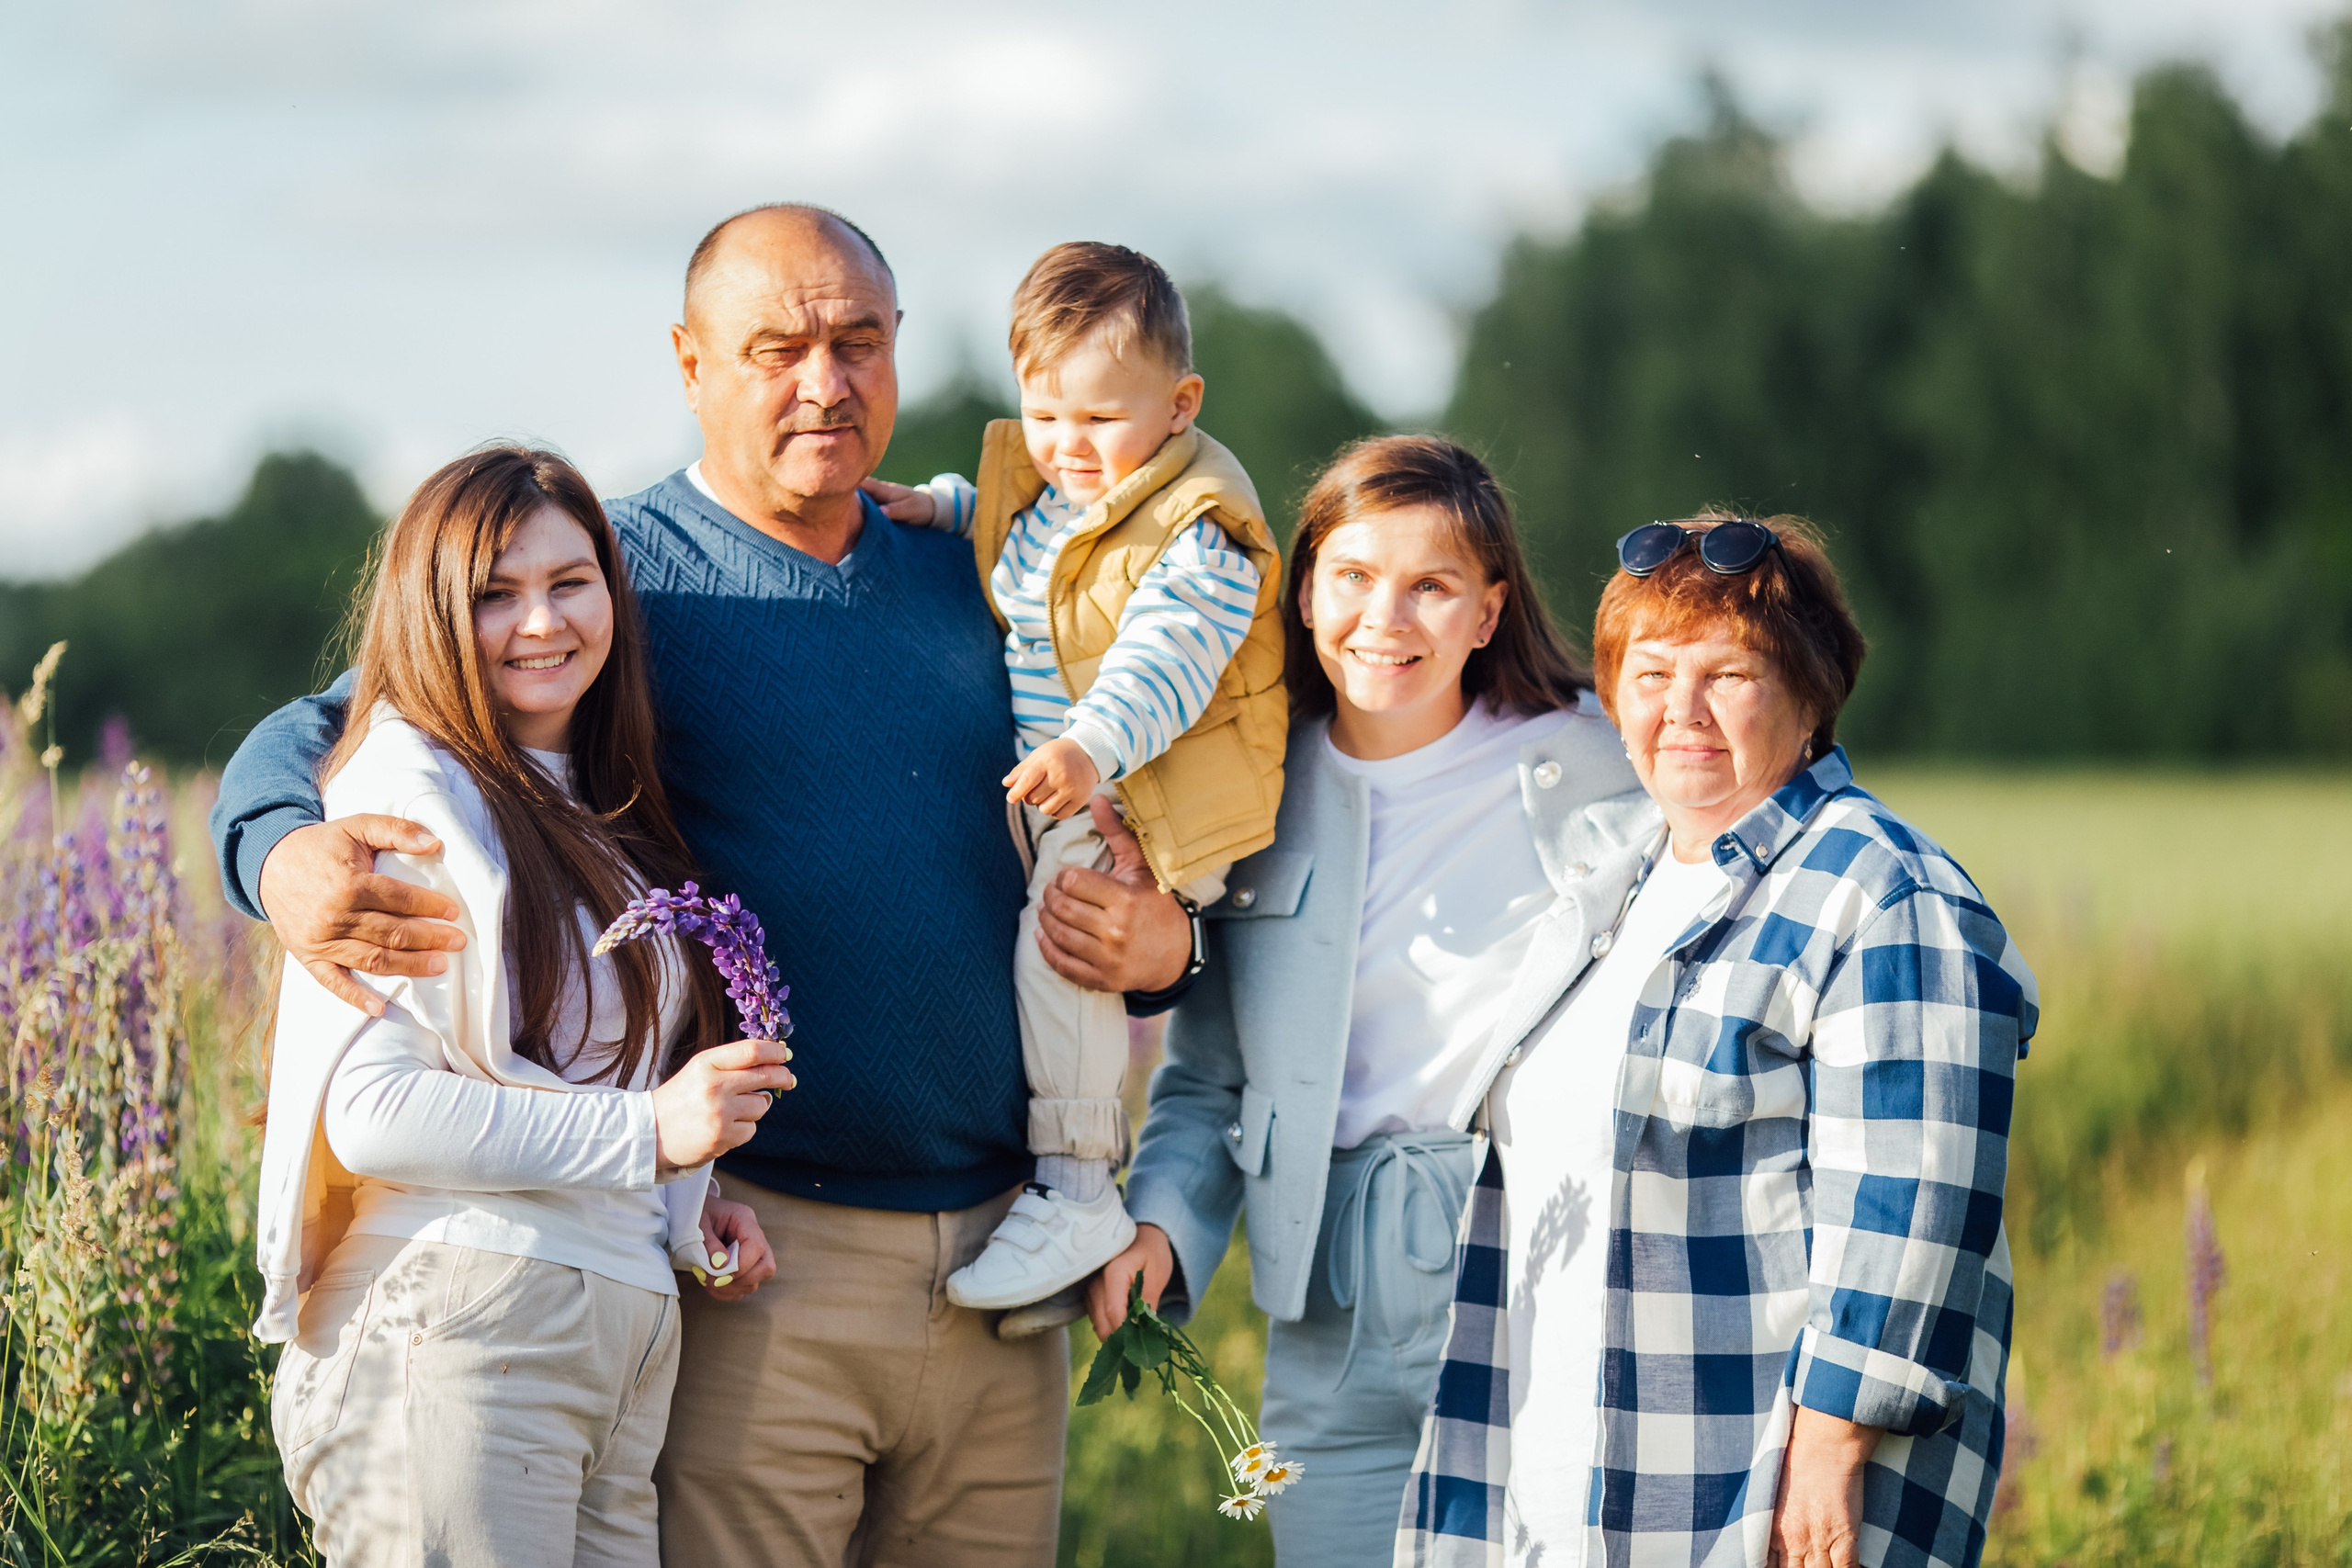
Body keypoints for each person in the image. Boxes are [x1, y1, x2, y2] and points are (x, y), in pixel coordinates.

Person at [210, 205, 1193, 1567]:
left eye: (857, 342)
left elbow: (1193, 746)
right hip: (757, 1242)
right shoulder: (604, 577)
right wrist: (274, 846)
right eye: (776, 347)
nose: (824, 382)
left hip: (1004, 1252)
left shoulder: (986, 567)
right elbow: (338, 717)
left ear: (900, 347)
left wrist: (1170, 950)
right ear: (688, 359)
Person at [1398, 513, 2035, 1568]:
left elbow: (1915, 1196)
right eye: (1648, 673)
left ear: (1809, 692)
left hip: (1757, 1501)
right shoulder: (1618, 878)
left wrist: (1828, 1455)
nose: (1680, 710)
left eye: (1727, 674)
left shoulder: (1878, 889)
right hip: (1568, 1489)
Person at [1080, 435, 1639, 1567]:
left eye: (1431, 586)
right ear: (1303, 588)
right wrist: (1164, 1226)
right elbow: (1207, 1079)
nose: (1386, 617)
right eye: (1353, 577)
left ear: (1487, 612)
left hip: (1533, 1253)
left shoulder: (1593, 756)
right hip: (1328, 1278)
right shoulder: (1248, 795)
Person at [255, 445, 792, 1565]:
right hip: (461, 1318)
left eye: (568, 582)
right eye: (494, 594)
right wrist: (648, 1134)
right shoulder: (410, 788)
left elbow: (567, 1076)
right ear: (431, 613)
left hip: (609, 1338)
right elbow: (374, 1109)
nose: (540, 622)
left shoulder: (599, 803)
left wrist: (684, 1201)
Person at [861, 242, 1286, 1325]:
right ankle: (1062, 1192)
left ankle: (1078, 1189)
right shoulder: (1068, 489)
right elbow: (1039, 541)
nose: (1066, 447)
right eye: (1044, 416)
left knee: (1063, 948)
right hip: (1091, 783)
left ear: (1180, 404)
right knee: (1050, 947)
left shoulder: (1201, 532)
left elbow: (1164, 661)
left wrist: (1090, 747)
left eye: (1099, 419)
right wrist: (949, 506)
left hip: (1142, 794)